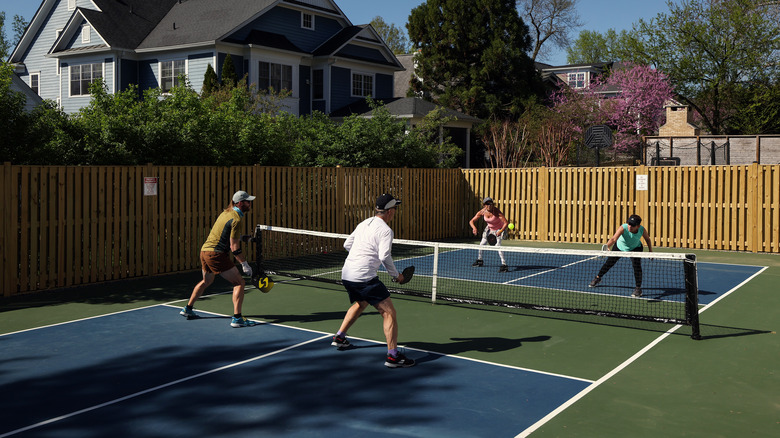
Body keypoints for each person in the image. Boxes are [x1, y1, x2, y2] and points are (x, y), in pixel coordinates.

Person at [331, 193, 415, 368]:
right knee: (389, 313)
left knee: (361, 303)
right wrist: (396, 276)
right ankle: (393, 356)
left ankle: (340, 337)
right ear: (390, 211)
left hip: (347, 274)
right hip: (364, 278)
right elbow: (384, 255)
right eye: (395, 209)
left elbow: (347, 244)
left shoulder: (364, 223)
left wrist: (360, 256)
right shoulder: (386, 230)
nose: (395, 212)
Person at [180, 190, 258, 327]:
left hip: (205, 251)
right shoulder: (237, 219)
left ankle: (188, 309)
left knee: (206, 281)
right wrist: (245, 264)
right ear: (240, 203)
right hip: (216, 255)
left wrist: (242, 238)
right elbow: (234, 248)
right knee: (239, 282)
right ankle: (237, 319)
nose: (250, 204)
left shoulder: (226, 213)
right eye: (247, 202)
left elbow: (223, 235)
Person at [589, 214, 653, 297]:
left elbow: (647, 239)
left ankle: (638, 288)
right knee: (609, 263)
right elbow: (613, 239)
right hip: (620, 246)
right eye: (629, 223)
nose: (630, 226)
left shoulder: (642, 230)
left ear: (638, 226)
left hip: (635, 248)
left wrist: (651, 251)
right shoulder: (623, 227)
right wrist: (607, 246)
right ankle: (598, 277)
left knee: (637, 267)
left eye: (632, 225)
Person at [469, 197, 510, 272]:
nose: (489, 205)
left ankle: (504, 265)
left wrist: (500, 231)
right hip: (489, 229)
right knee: (482, 244)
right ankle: (480, 260)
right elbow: (471, 221)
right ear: (484, 205)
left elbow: (506, 223)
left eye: (490, 203)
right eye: (487, 204)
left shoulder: (497, 212)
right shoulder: (482, 212)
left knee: (498, 246)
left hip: (499, 229)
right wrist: (474, 228)